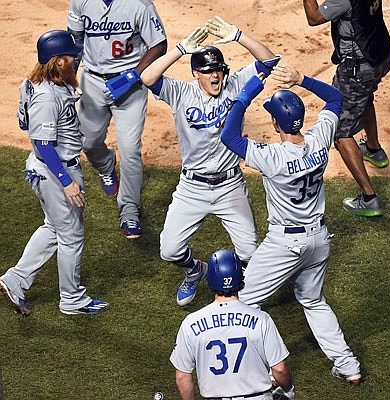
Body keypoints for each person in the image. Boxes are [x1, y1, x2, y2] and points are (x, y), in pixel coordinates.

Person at [220, 65, 361, 383]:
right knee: (312, 299)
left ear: (274, 122)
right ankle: (348, 365)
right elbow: (335, 98)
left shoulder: (272, 156)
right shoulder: (319, 140)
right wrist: (302, 80)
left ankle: (255, 367)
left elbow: (229, 136)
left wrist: (245, 95)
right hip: (319, 240)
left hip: (285, 244)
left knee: (243, 302)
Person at [139, 16, 281, 307]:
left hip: (230, 186)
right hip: (192, 188)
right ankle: (195, 270)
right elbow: (147, 78)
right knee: (169, 250)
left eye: (218, 70)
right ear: (196, 74)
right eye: (207, 71)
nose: (215, 75)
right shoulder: (180, 93)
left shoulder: (235, 84)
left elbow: (270, 61)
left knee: (250, 254)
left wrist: (238, 35)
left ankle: (236, 292)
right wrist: (179, 49)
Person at [0, 30, 109, 316]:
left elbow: (77, 52)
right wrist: (67, 183)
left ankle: (15, 279)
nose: (76, 60)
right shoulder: (47, 98)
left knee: (53, 227)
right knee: (71, 235)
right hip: (54, 169)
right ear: (59, 61)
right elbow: (43, 145)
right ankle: (72, 300)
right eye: (70, 57)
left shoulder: (39, 80)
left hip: (48, 167)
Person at [67, 0, 168, 239]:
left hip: (130, 86)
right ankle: (106, 165)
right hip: (92, 81)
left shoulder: (140, 5)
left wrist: (133, 75)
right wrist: (69, 77)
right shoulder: (81, 2)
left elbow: (159, 44)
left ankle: (130, 210)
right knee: (88, 142)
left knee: (130, 148)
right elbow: (75, 41)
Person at [302, 0, 390, 217]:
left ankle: (369, 198)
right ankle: (373, 150)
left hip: (357, 70)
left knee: (340, 130)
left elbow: (314, 18)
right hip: (380, 57)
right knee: (364, 98)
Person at [170, 249, 295, 400]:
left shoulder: (191, 323)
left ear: (210, 280)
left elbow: (182, 376)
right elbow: (280, 370)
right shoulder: (261, 319)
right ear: (240, 278)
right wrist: (288, 390)